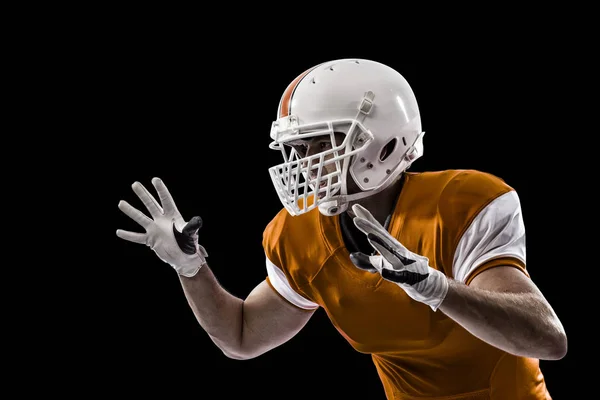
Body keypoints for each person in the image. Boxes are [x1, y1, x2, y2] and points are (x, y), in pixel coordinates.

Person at [116, 58, 567, 399]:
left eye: (319, 145)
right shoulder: (297, 236)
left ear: (385, 139)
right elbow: (240, 336)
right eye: (296, 148)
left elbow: (547, 338)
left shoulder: (461, 204)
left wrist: (436, 289)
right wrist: (191, 269)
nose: (303, 164)